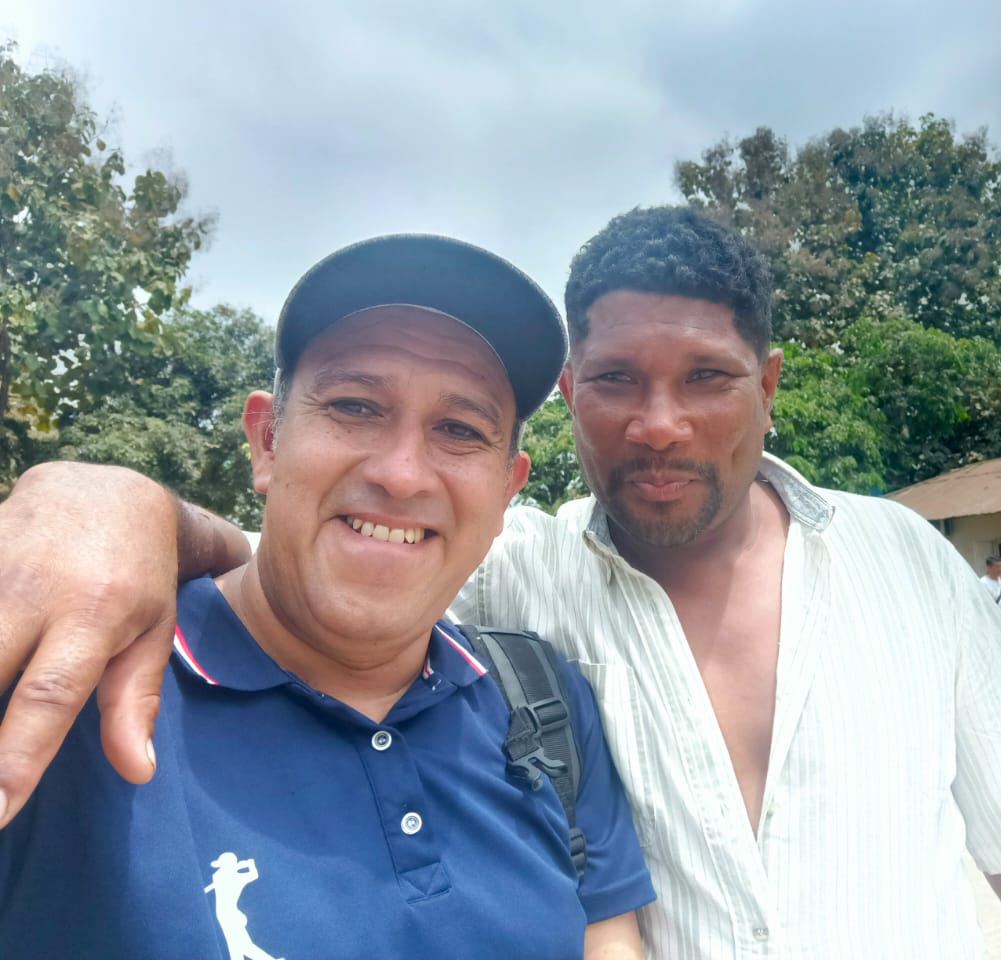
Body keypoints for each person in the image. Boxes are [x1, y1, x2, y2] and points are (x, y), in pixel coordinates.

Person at [0, 207, 1001, 958]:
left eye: (707, 377)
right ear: (568, 400)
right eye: (616, 378)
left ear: (770, 384)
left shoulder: (903, 561)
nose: (659, 423)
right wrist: (110, 503)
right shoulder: (512, 567)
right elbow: (318, 557)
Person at [0, 235, 654, 958]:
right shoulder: (64, 683)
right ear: (266, 442)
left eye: (459, 429)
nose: (402, 474)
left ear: (507, 489)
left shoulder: (542, 705)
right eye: (355, 406)